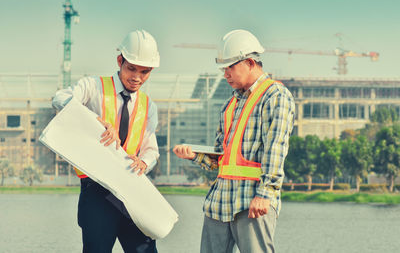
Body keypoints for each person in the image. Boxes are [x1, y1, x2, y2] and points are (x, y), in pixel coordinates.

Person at [173, 29, 295, 253]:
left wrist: (265, 193)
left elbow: (275, 147)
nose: (225, 74)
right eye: (223, 68)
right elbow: (222, 160)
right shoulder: (230, 105)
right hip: (219, 202)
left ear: (249, 62)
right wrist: (195, 155)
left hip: (252, 202)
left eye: (230, 67)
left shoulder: (275, 95)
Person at [53, 30, 160, 253]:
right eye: (132, 68)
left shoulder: (148, 106)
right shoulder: (93, 87)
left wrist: (144, 162)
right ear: (120, 60)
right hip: (97, 191)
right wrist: (95, 122)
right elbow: (59, 99)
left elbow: (151, 149)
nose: (137, 77)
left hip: (133, 190)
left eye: (145, 71)